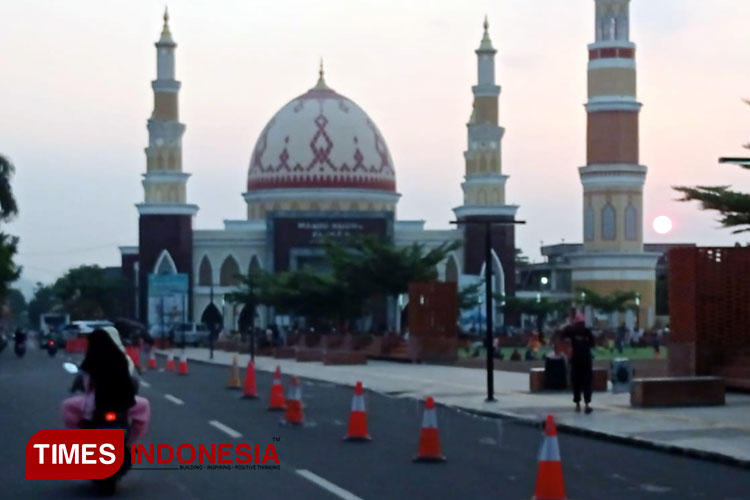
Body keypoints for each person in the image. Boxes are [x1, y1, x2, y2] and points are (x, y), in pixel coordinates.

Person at [61, 327, 150, 441]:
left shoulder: (91, 358)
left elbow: (82, 376)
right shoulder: (122, 359)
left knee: (67, 406)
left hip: (95, 402)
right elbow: (133, 379)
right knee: (143, 407)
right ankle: (131, 440)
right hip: (121, 402)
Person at [561, 314, 595, 414]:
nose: (581, 325)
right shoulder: (571, 332)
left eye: (582, 323)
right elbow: (561, 335)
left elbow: (592, 343)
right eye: (579, 323)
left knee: (587, 383)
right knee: (576, 383)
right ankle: (577, 404)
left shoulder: (587, 332)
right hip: (575, 361)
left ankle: (587, 404)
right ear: (575, 323)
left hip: (586, 361)